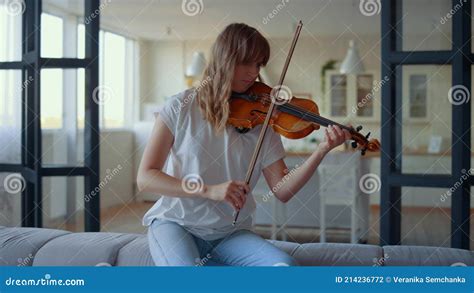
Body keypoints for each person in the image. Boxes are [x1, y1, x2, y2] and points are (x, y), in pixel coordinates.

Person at [137, 23, 350, 266]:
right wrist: (209, 190)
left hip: (230, 233)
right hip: (175, 223)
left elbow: (282, 190)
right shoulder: (179, 107)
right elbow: (146, 177)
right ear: (224, 59)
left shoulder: (264, 120)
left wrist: (320, 151)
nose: (253, 73)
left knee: (285, 267)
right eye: (246, 62)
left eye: (258, 64)